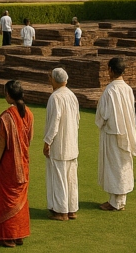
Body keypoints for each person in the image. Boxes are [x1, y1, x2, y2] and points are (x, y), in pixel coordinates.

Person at [0, 80, 32, 247]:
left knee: (8, 200)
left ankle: (8, 236)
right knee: (19, 199)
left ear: (8, 95)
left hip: (9, 165)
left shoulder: (6, 116)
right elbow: (29, 138)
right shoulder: (28, 113)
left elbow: (1, 144)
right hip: (23, 163)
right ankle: (19, 234)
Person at [95, 57, 136, 211]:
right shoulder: (128, 89)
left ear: (111, 70)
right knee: (123, 164)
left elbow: (103, 114)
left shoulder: (110, 90)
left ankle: (115, 202)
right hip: (126, 131)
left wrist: (101, 122)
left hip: (113, 133)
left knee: (115, 166)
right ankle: (119, 200)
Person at [43, 68, 79, 221]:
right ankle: (71, 209)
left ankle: (61, 211)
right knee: (70, 177)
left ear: (55, 80)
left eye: (50, 76)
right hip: (71, 142)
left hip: (59, 143)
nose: (49, 79)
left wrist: (47, 141)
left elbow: (54, 123)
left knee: (59, 177)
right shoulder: (72, 95)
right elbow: (77, 119)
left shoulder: (55, 97)